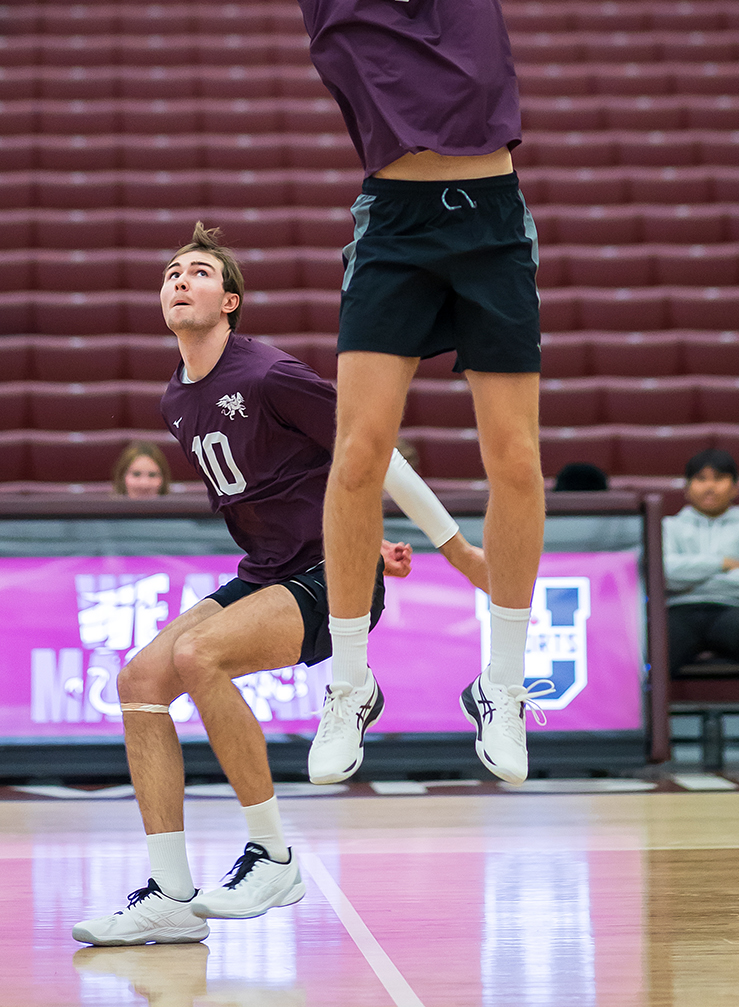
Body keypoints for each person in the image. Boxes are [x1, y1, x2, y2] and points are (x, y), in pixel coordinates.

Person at [216, 0, 543, 788]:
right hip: (396, 225)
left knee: (515, 461)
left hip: (491, 214)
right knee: (356, 456)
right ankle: (347, 679)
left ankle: (500, 685)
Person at [73, 223, 486, 947]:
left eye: (198, 272)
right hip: (269, 570)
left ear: (229, 301)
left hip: (333, 574)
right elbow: (294, 483)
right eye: (171, 272)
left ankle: (273, 856)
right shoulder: (176, 398)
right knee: (139, 681)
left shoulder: (269, 373)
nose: (179, 280)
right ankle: (170, 896)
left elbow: (373, 452)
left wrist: (452, 547)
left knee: (200, 655)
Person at [663, 447, 739, 773]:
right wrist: (721, 564)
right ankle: (652, 737)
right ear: (687, 487)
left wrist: (693, 580)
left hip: (737, 612)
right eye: (701, 478)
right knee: (653, 642)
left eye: (719, 478)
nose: (710, 486)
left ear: (735, 487)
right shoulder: (667, 528)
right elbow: (662, 573)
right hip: (682, 611)